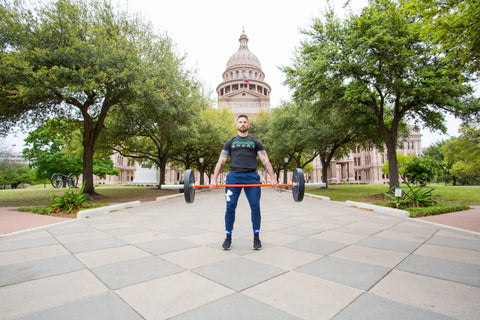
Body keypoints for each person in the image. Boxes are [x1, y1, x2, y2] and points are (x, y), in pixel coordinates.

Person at [210, 114, 278, 250]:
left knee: (255, 207)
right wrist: (213, 179)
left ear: (248, 125)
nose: (242, 124)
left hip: (251, 176)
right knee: (230, 208)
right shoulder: (230, 142)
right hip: (233, 177)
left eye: (245, 122)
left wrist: (273, 177)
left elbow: (265, 160)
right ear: (237, 125)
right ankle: (228, 237)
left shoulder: (255, 142)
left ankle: (256, 237)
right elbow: (221, 161)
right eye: (240, 122)